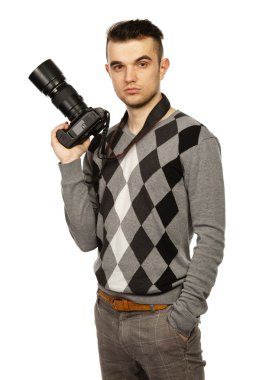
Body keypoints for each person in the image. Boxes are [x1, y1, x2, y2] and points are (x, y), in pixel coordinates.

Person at [51, 19, 225, 380]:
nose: (130, 76)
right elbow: (86, 239)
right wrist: (69, 164)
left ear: (162, 67)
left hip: (165, 319)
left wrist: (183, 316)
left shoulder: (193, 138)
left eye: (142, 63)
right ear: (108, 71)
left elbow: (211, 236)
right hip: (107, 317)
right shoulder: (102, 145)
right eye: (119, 66)